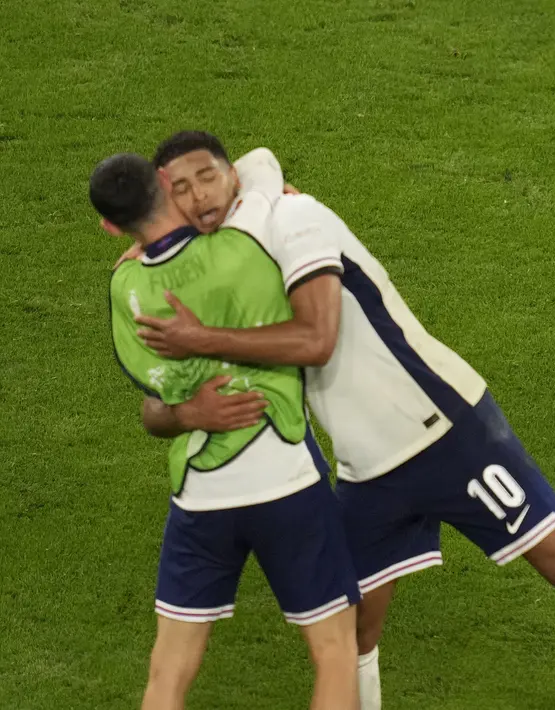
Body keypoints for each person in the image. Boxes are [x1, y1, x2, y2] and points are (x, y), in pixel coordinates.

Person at [130, 131, 555, 710]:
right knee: (353, 629)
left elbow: (318, 339)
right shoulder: (229, 246)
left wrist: (199, 336)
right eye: (179, 190)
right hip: (366, 468)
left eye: (206, 178)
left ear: (229, 173)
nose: (197, 197)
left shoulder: (295, 219)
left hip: (446, 428)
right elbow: (258, 166)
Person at [92, 152, 360, 710]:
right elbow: (259, 164)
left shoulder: (125, 287)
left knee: (168, 671)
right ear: (167, 182)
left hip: (200, 495)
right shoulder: (243, 242)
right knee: (334, 650)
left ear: (111, 226)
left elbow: (154, 407)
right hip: (287, 480)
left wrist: (189, 414)